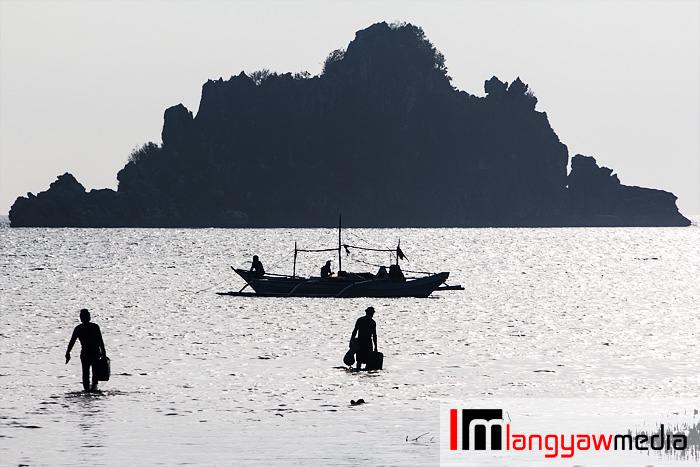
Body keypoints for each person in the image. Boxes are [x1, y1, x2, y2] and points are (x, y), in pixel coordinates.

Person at [65, 309, 106, 392]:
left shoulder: (79, 328)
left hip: (86, 353)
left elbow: (72, 341)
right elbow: (100, 341)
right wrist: (103, 354)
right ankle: (93, 389)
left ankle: (87, 390)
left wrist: (68, 352)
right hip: (94, 353)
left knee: (86, 373)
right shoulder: (94, 327)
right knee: (95, 372)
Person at [350, 306, 377, 370]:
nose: (372, 315)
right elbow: (355, 331)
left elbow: (374, 335)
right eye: (371, 313)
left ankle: (362, 370)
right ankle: (359, 370)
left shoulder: (372, 322)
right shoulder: (361, 320)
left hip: (367, 342)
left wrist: (376, 346)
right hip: (361, 342)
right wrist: (352, 341)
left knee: (367, 360)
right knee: (359, 360)